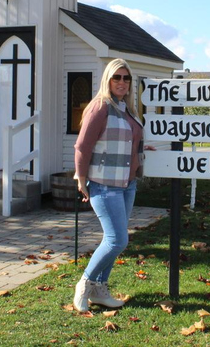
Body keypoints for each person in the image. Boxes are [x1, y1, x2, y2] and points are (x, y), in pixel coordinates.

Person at [72, 58, 151, 312]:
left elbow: (129, 139)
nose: (122, 82)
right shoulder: (100, 107)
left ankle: (100, 290)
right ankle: (85, 283)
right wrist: (81, 178)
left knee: (114, 238)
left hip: (127, 184)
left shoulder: (127, 109)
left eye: (126, 78)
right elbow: (82, 146)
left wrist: (141, 147)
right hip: (104, 184)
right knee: (118, 240)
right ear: (107, 79)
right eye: (117, 77)